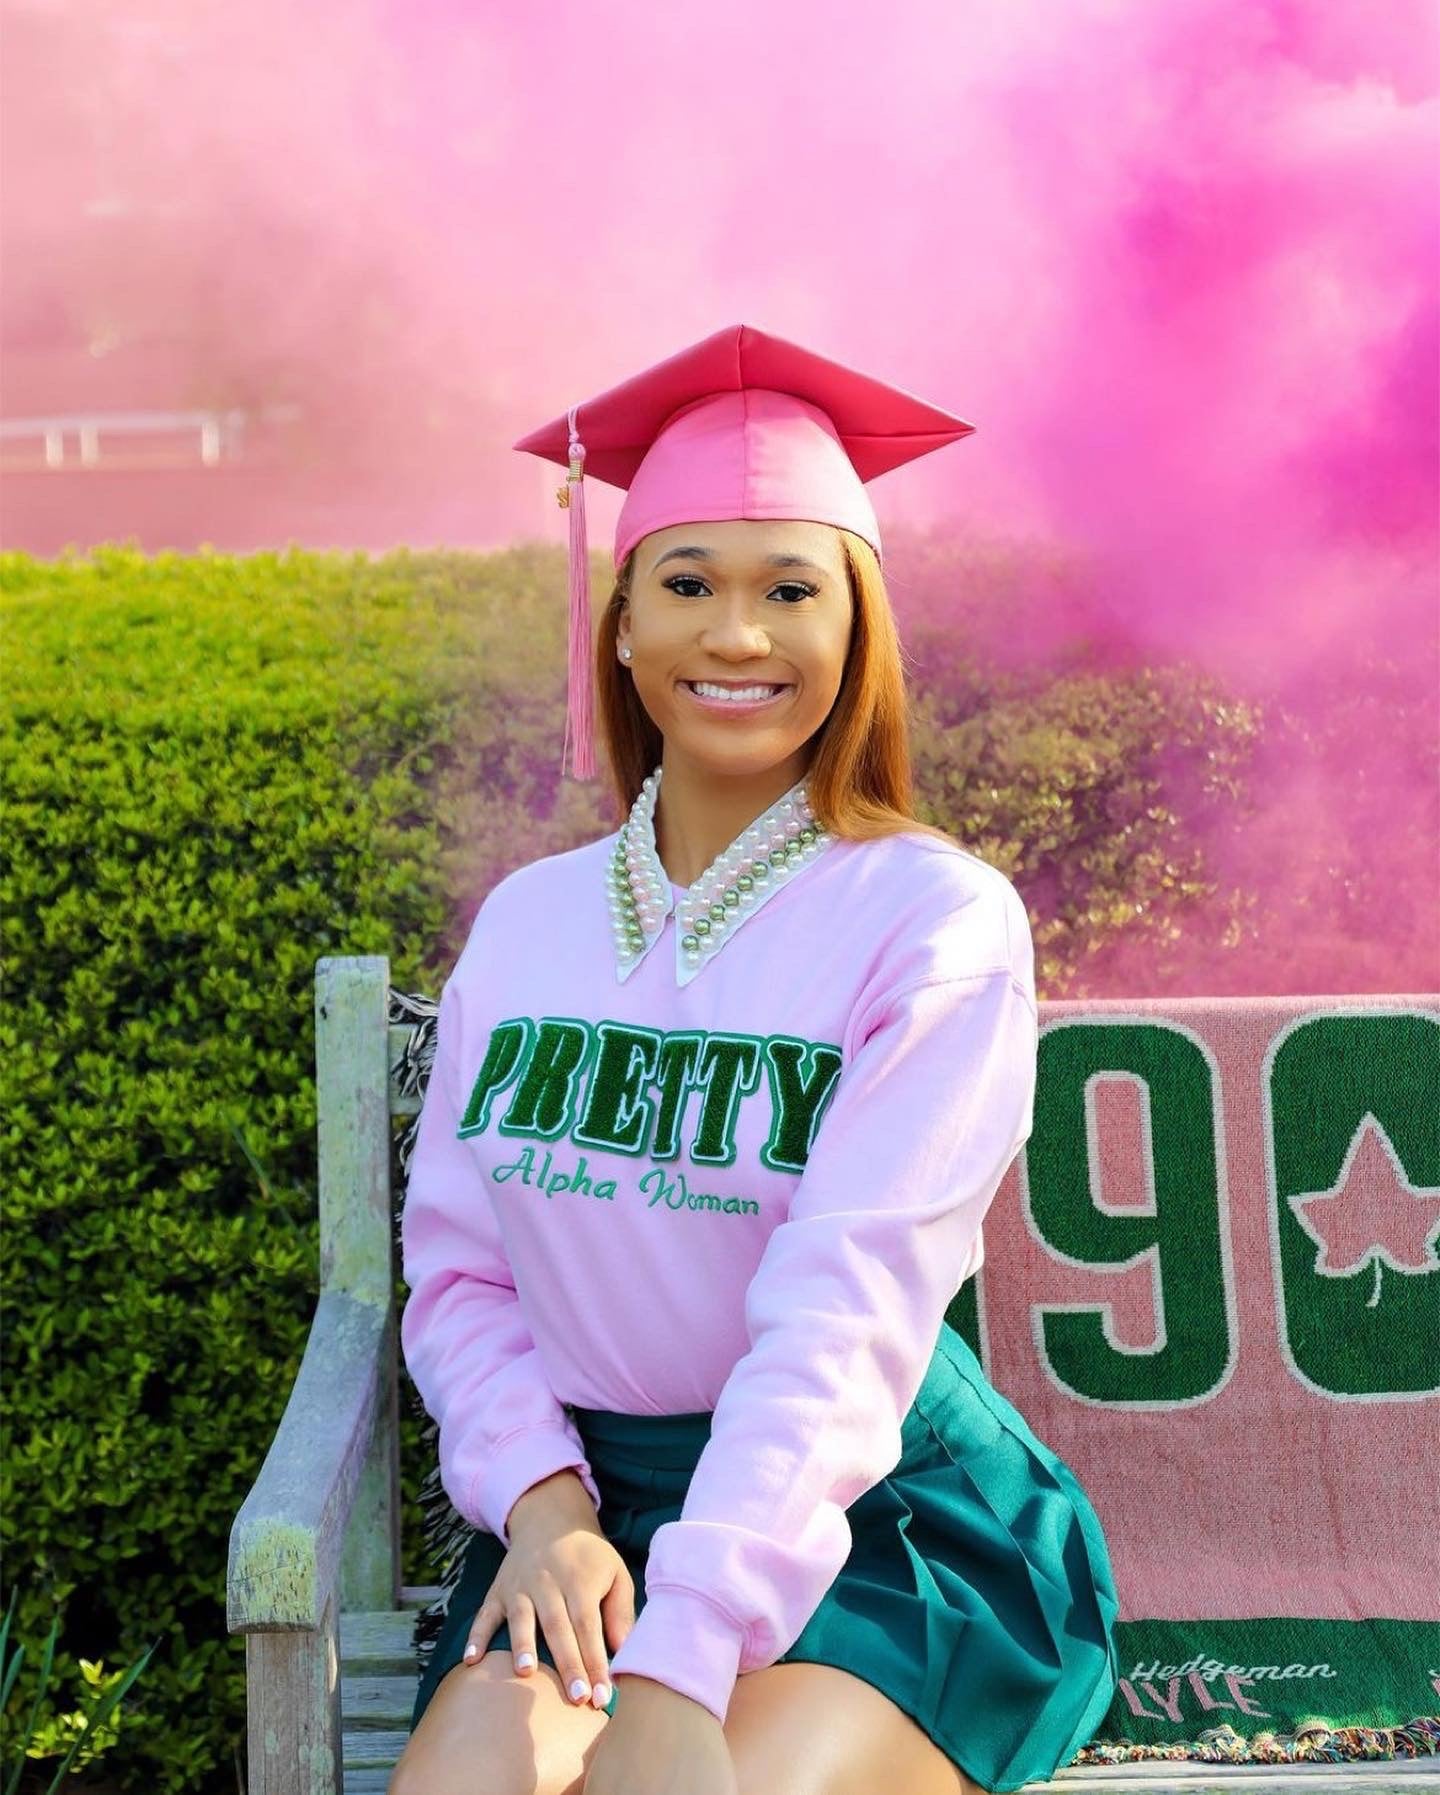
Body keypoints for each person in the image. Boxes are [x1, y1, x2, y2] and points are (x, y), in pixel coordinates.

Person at [391, 323, 1120, 1795]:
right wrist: (540, 1509)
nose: (738, 636)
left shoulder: (931, 922)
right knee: (468, 1773)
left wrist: (690, 1650)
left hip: (870, 1521)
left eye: (792, 589)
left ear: (857, 630)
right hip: (591, 1522)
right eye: (689, 586)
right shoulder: (529, 928)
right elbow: (461, 1272)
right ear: (620, 625)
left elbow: (845, 1317)